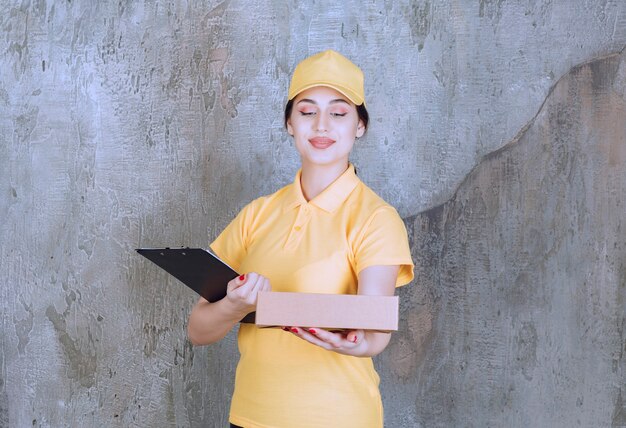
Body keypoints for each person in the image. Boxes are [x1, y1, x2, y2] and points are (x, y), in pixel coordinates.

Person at [187, 50, 414, 428]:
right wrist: (235, 305)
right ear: (290, 123)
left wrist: (361, 343)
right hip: (249, 417)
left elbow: (374, 324)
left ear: (359, 125)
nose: (321, 125)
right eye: (307, 112)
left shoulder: (376, 219)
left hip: (338, 419)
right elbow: (198, 330)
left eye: (339, 113)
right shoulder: (257, 214)